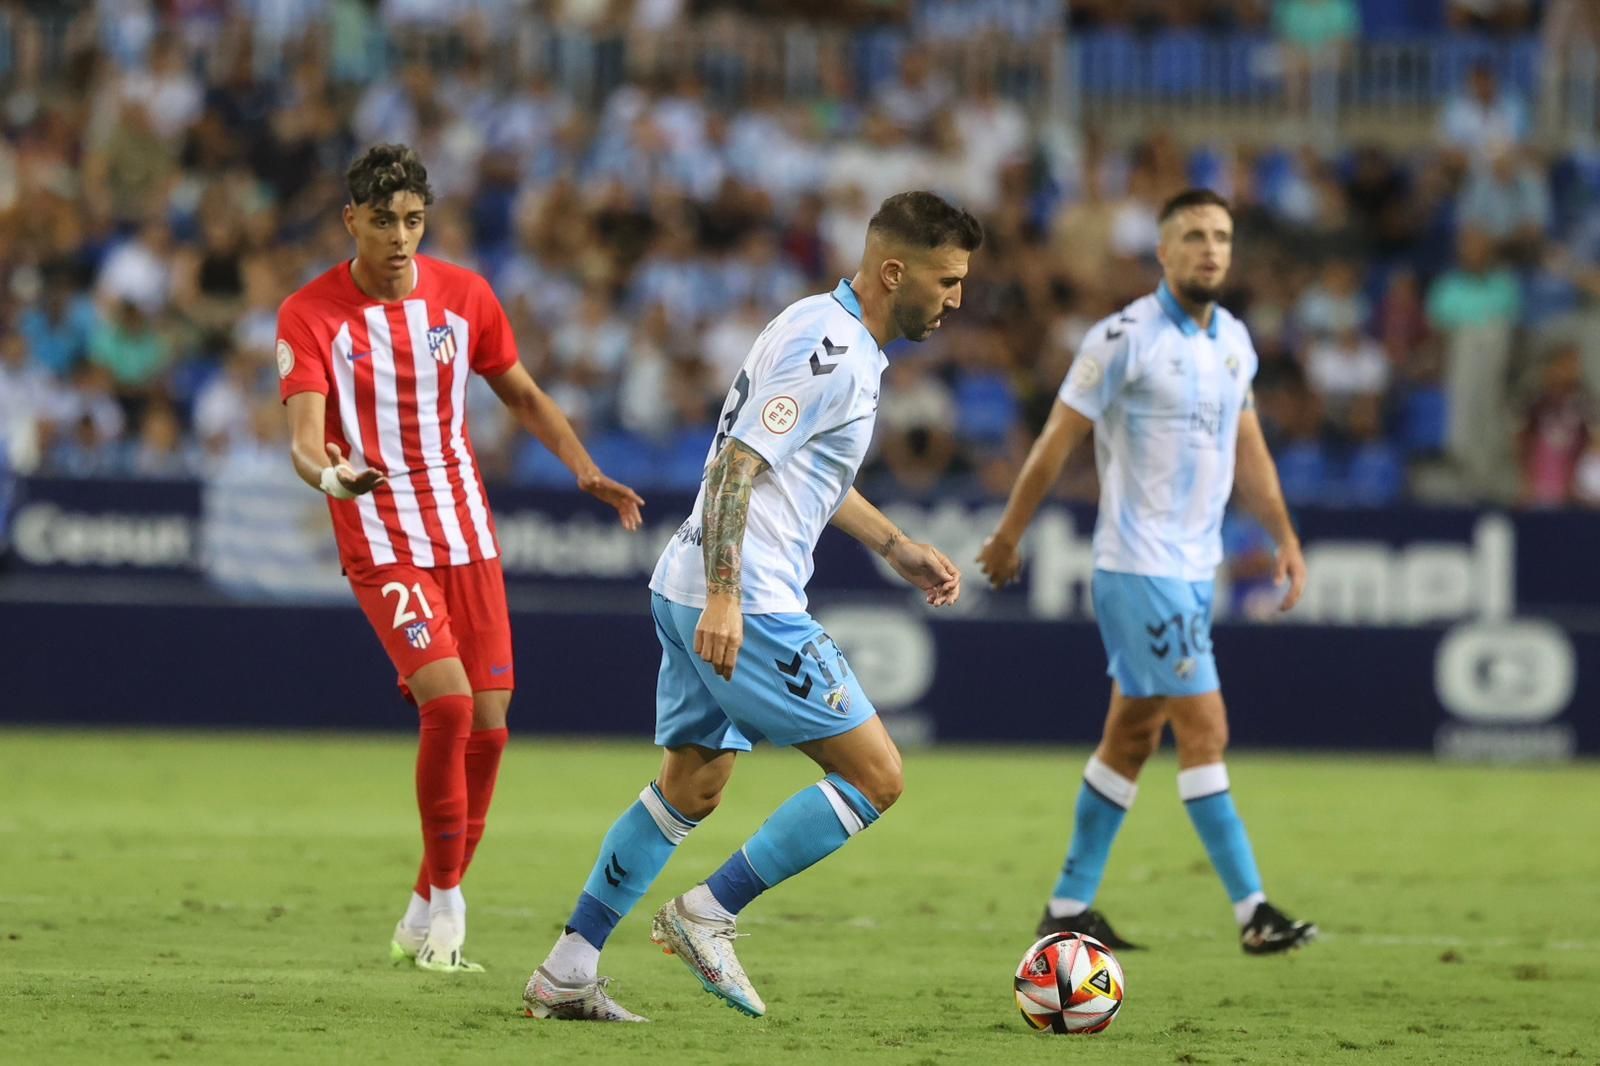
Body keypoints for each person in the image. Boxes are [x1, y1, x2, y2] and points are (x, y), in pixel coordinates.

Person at [524, 192, 981, 1022]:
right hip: (745, 598)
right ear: (893, 271)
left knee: (689, 790)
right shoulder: (832, 349)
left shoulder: (826, 327)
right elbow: (736, 467)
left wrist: (893, 545)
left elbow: (803, 472)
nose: (956, 299)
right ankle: (709, 912)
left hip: (687, 581)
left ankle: (566, 970)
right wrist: (730, 599)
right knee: (877, 776)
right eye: (947, 280)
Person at [276, 144, 644, 974]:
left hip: (466, 534)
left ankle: (418, 911)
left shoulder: (464, 296)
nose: (400, 238)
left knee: (490, 730)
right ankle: (449, 908)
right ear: (351, 222)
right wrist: (334, 474)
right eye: (382, 222)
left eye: (412, 220)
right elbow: (303, 440)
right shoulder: (311, 314)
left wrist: (583, 467)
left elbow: (522, 393)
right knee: (444, 708)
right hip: (380, 534)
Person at [976, 189, 1318, 956]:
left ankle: (1067, 908)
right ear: (1163, 253)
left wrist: (1284, 534)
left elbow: (1249, 450)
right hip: (1138, 565)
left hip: (1196, 567)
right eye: (1193, 235)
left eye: (1222, 236)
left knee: (1131, 739)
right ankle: (1253, 911)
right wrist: (1008, 535)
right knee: (1207, 728)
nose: (1210, 248)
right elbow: (1056, 440)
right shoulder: (1122, 338)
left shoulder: (1233, 340)